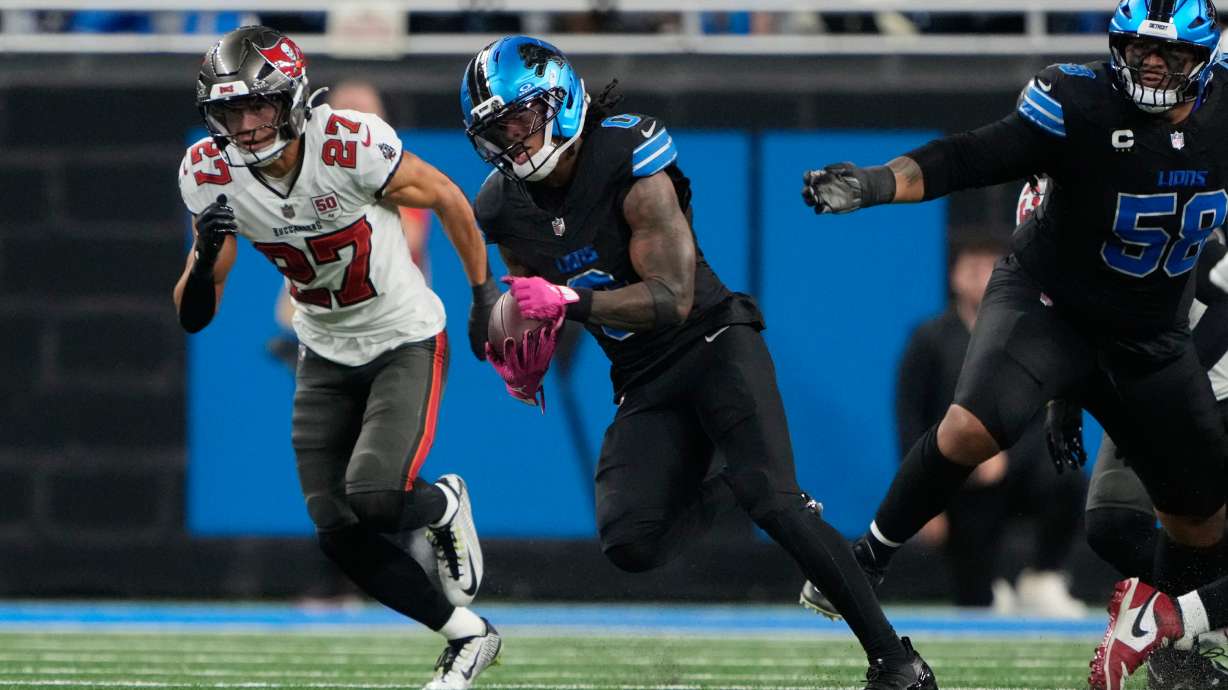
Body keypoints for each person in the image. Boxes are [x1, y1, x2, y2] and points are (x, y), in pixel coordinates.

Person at [463, 35, 936, 690]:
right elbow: (529, 297)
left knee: (778, 504)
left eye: (519, 119)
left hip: (714, 342)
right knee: (630, 541)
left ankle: (897, 662)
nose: (513, 141)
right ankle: (734, 487)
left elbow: (670, 298)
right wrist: (529, 359)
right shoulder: (502, 204)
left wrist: (568, 303)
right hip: (642, 378)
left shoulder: (628, 155)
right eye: (497, 132)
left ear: (559, 99)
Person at [795, 2, 1228, 688]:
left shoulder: (1222, 109)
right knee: (974, 426)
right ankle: (870, 554)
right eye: (1139, 48)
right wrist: (879, 183)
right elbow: (972, 155)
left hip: (1149, 335)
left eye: (1169, 54)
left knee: (1202, 521)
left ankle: (1172, 651)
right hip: (1049, 305)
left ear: (1205, 62)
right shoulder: (1079, 100)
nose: (1149, 63)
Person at [173, 26, 502, 690]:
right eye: (230, 110)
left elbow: (445, 195)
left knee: (378, 497)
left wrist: (481, 295)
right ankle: (469, 636)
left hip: (402, 336)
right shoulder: (209, 171)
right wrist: (206, 254)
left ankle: (440, 505)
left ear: (291, 99)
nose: (245, 123)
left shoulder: (348, 143)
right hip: (322, 347)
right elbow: (194, 314)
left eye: (258, 106)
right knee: (336, 528)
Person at [890, 227, 1085, 616]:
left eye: (990, 266)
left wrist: (1005, 460)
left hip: (1014, 470)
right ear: (954, 275)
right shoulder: (929, 339)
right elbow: (910, 417)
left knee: (1069, 479)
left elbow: (1040, 412)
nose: (981, 276)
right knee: (976, 601)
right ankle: (988, 587)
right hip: (958, 481)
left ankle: (1043, 576)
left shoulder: (1025, 334)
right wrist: (925, 502)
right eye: (972, 267)